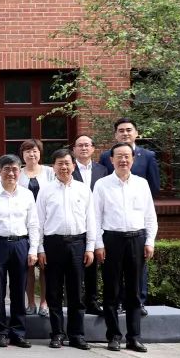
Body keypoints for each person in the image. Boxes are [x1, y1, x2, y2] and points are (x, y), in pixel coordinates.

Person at [94, 142, 158, 353]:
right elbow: (95, 217)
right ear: (111, 159)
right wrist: (98, 244)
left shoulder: (141, 184)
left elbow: (150, 215)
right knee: (111, 290)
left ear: (133, 159)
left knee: (134, 292)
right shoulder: (102, 185)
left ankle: (134, 337)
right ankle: (113, 336)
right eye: (119, 156)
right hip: (112, 240)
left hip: (136, 240)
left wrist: (149, 241)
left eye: (127, 156)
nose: (123, 160)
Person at [98, 118, 160, 315]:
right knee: (113, 273)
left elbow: (154, 186)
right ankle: (116, 303)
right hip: (113, 227)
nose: (125, 133)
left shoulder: (148, 155)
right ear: (115, 134)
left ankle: (138, 302)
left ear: (136, 133)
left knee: (138, 270)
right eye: (121, 130)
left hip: (137, 220)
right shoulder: (106, 156)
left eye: (129, 130)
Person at [36, 149, 95, 350]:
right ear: (53, 167)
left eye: (67, 163)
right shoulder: (45, 191)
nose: (64, 167)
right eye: (59, 163)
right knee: (54, 291)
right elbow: (38, 222)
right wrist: (40, 248)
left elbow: (91, 220)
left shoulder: (83, 190)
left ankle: (77, 335)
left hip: (78, 243)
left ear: (73, 166)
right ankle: (57, 334)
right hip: (53, 244)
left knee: (76, 292)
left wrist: (90, 247)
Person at [0, 154, 40, 349]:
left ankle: (18, 332)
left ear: (19, 171)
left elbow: (33, 224)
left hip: (20, 245)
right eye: (6, 169)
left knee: (18, 290)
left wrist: (33, 249)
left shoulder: (27, 195)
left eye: (15, 169)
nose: (11, 173)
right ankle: (1, 332)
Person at [72, 134, 109, 315]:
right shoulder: (68, 169)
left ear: (93, 149)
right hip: (76, 223)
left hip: (97, 223)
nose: (84, 148)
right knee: (75, 267)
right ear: (74, 150)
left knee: (92, 265)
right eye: (80, 145)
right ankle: (75, 301)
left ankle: (92, 301)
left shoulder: (103, 170)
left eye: (87, 145)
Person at [18, 138, 53, 317]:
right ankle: (30, 302)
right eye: (27, 151)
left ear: (40, 153)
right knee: (29, 266)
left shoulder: (49, 172)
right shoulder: (18, 173)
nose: (31, 154)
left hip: (47, 224)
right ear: (22, 154)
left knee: (45, 266)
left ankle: (44, 303)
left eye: (35, 151)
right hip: (24, 225)